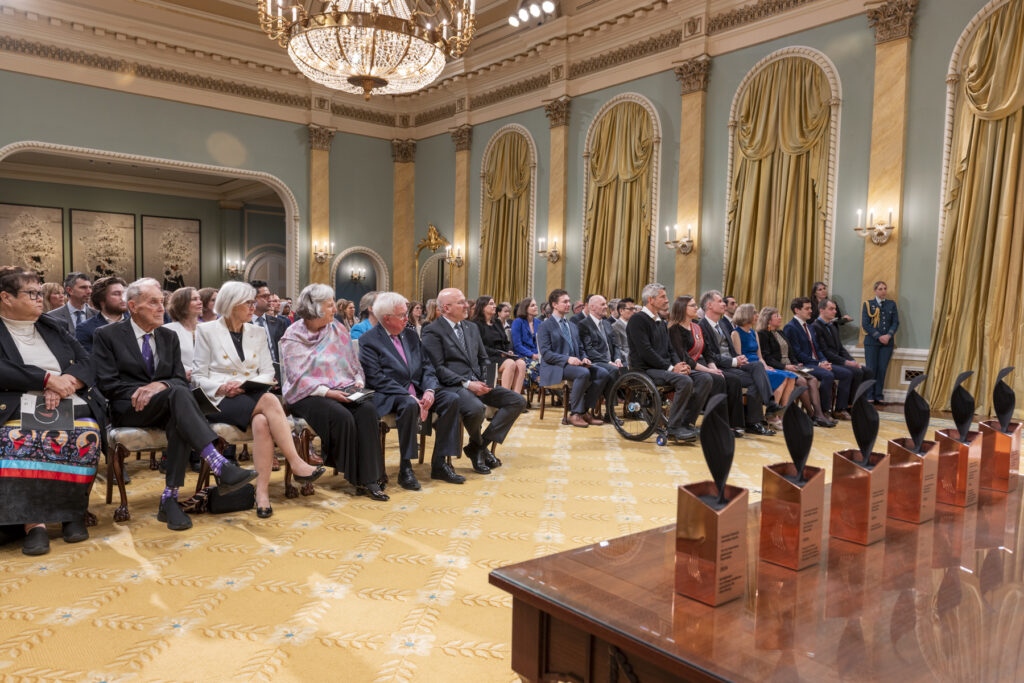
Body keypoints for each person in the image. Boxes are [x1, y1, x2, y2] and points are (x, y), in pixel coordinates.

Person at [93, 278, 257, 531]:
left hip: (166, 406)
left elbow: (178, 379)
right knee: (179, 398)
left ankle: (170, 499)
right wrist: (145, 389)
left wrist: (160, 385)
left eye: (162, 302)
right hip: (129, 408)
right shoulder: (107, 335)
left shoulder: (168, 336)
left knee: (178, 407)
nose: (162, 308)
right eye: (154, 303)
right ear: (133, 306)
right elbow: (107, 383)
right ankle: (217, 463)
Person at [192, 281, 324, 518]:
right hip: (219, 400)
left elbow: (268, 372)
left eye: (254, 302)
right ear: (232, 305)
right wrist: (222, 386)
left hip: (249, 394)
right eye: (249, 303)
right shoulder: (207, 331)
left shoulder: (258, 331)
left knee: (263, 422)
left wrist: (245, 385)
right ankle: (295, 462)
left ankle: (261, 493)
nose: (254, 307)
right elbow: (198, 378)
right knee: (270, 402)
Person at [0, 266, 106, 556]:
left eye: (39, 292)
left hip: (66, 400)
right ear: (5, 297)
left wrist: (67, 382)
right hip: (16, 404)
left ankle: (72, 514)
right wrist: (45, 379)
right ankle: (33, 524)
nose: (40, 299)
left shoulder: (51, 326)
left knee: (86, 434)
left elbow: (88, 361)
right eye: (31, 293)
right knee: (19, 438)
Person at [280, 284, 388, 501]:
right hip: (307, 394)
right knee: (342, 416)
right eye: (329, 305)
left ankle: (370, 478)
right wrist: (328, 392)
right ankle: (354, 473)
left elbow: (352, 362)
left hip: (341, 387)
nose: (334, 309)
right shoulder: (293, 335)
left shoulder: (337, 329)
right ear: (315, 308)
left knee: (367, 410)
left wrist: (357, 382)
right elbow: (296, 376)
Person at [359, 292, 462, 490]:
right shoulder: (369, 340)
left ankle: (440, 462)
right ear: (387, 318)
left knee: (451, 399)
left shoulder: (410, 334)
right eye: (402, 315)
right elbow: (376, 378)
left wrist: (430, 390)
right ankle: (405, 468)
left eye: (406, 314)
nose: (407, 318)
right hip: (392, 394)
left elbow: (427, 367)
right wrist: (409, 395)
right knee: (408, 404)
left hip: (419, 388)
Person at [422, 288, 527, 478]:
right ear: (446, 308)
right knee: (477, 408)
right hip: (453, 386)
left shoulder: (471, 327)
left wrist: (486, 381)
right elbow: (438, 368)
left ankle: (477, 446)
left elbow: (483, 358)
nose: (467, 306)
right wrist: (468, 384)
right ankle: (479, 448)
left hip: (478, 382)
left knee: (517, 401)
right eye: (461, 302)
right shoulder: (432, 330)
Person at [626, 284, 712, 442]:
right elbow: (646, 351)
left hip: (664, 368)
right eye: (663, 297)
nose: (667, 300)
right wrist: (672, 368)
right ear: (651, 300)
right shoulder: (637, 320)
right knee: (684, 380)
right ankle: (673, 428)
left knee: (705, 378)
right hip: (645, 369)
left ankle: (686, 423)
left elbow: (671, 349)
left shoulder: (661, 321)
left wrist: (681, 365)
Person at [698, 290, 780, 435]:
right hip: (719, 366)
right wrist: (733, 361)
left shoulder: (722, 325)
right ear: (709, 305)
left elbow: (731, 350)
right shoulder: (702, 326)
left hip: (732, 364)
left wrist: (739, 358)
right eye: (720, 301)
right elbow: (709, 355)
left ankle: (768, 406)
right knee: (754, 380)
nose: (723, 304)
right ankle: (753, 421)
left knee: (757, 366)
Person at [667, 295, 745, 438]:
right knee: (717, 379)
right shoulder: (674, 329)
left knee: (728, 379)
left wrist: (714, 367)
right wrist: (710, 370)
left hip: (702, 366)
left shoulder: (696, 327)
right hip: (685, 367)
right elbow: (685, 358)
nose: (696, 307)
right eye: (693, 305)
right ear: (683, 309)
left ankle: (726, 424)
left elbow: (707, 353)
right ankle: (714, 424)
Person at [537, 289, 609, 428]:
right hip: (555, 366)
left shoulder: (572, 325)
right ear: (554, 305)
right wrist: (567, 359)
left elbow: (581, 349)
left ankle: (584, 411)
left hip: (575, 364)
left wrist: (584, 358)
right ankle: (575, 414)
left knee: (602, 373)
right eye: (565, 301)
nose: (568, 304)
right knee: (583, 373)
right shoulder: (545, 326)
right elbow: (546, 353)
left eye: (569, 301)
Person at [756, 306, 835, 427]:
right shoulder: (763, 334)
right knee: (802, 381)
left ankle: (817, 414)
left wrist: (796, 364)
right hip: (779, 367)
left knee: (813, 380)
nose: (780, 318)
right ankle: (812, 415)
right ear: (768, 320)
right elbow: (767, 358)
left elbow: (791, 353)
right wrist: (786, 367)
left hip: (791, 366)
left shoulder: (780, 332)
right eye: (777, 316)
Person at [783, 297, 852, 420]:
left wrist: (824, 361)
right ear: (797, 310)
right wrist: (819, 364)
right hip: (803, 365)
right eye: (807, 308)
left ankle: (839, 409)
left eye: (811, 308)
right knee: (828, 375)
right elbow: (797, 353)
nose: (811, 310)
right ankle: (825, 411)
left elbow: (818, 349)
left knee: (846, 373)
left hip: (816, 363)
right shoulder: (790, 327)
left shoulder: (809, 326)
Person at [730, 303, 797, 410]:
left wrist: (765, 366)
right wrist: (761, 367)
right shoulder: (735, 333)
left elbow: (760, 357)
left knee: (790, 376)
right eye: (755, 313)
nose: (757, 315)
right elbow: (739, 357)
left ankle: (782, 413)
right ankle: (772, 413)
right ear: (746, 314)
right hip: (748, 366)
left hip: (759, 366)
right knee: (782, 378)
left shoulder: (754, 333)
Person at [812, 298, 874, 408]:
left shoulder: (832, 326)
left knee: (867, 371)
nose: (835, 311)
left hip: (837, 360)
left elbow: (840, 348)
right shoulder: (816, 326)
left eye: (835, 309)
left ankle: (858, 404)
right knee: (855, 372)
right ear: (822, 310)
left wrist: (852, 361)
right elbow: (824, 352)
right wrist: (846, 363)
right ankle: (844, 407)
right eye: (831, 309)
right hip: (827, 361)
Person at [471, 296, 527, 395]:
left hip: (503, 355)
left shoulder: (497, 322)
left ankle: (516, 398)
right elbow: (480, 347)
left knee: (521, 364)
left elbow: (506, 341)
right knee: (510, 363)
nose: (494, 306)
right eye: (491, 304)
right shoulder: (476, 324)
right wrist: (499, 353)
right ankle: (505, 398)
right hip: (488, 357)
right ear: (483, 307)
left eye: (494, 303)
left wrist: (509, 350)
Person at [576, 294, 623, 402]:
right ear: (592, 307)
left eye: (606, 304)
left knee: (632, 369)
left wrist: (617, 359)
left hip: (611, 361)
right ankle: (610, 409)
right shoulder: (584, 324)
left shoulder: (607, 324)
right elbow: (589, 350)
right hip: (596, 361)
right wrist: (608, 361)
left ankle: (633, 407)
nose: (606, 307)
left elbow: (615, 345)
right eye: (602, 304)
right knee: (613, 370)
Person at [861, 281, 898, 406]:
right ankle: (869, 395)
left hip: (887, 342)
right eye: (880, 289)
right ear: (875, 290)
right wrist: (878, 336)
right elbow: (865, 324)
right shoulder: (868, 304)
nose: (883, 291)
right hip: (872, 342)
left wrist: (888, 335)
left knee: (882, 369)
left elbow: (895, 322)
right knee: (871, 369)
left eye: (885, 288)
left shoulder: (891, 304)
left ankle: (878, 395)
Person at [74, 276, 128, 354]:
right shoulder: (85, 328)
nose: (123, 298)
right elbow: (88, 361)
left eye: (124, 294)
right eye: (116, 294)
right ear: (101, 300)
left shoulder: (136, 323)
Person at [250, 279, 287, 383]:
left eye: (269, 295)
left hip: (279, 377)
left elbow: (283, 352)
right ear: (253, 299)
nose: (270, 299)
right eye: (265, 296)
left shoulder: (278, 323)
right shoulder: (243, 324)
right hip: (255, 378)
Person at [163, 287, 203, 378]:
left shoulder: (207, 328)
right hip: (181, 380)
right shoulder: (168, 330)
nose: (200, 302)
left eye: (199, 298)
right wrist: (184, 372)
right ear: (182, 304)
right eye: (194, 299)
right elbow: (166, 361)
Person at [511, 297, 541, 390]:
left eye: (536, 305)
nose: (536, 307)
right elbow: (517, 345)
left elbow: (541, 343)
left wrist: (539, 355)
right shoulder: (518, 322)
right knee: (536, 366)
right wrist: (532, 355)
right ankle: (546, 387)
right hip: (522, 356)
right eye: (532, 305)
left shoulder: (539, 322)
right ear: (525, 308)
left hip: (537, 356)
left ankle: (555, 391)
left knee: (550, 366)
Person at [611, 298, 634, 364]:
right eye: (630, 309)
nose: (633, 311)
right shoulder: (615, 327)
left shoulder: (634, 325)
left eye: (634, 309)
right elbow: (619, 349)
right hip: (627, 359)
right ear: (621, 311)